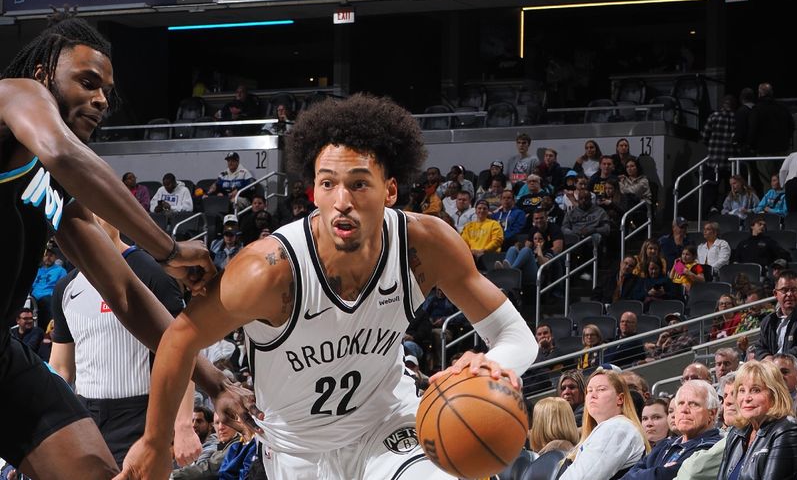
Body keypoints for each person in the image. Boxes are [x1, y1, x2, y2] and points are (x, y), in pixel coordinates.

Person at [117, 94, 537, 480]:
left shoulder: (426, 244)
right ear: (313, 190)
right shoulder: (268, 270)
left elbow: (517, 338)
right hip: (299, 452)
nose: (341, 200)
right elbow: (179, 339)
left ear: (390, 189)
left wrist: (492, 364)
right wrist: (155, 442)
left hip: (388, 424)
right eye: (327, 183)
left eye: (358, 183)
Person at [0, 18, 251, 478]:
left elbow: (125, 293)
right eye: (87, 82)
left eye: (106, 92)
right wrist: (169, 250)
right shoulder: (12, 92)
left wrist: (214, 382)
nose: (100, 100)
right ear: (41, 75)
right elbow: (62, 150)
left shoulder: (56, 188)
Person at [48, 218, 197, 468]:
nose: (93, 219)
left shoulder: (151, 273)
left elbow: (184, 348)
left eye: (100, 210)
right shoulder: (66, 288)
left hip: (141, 416)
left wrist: (183, 424)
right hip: (86, 419)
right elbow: (61, 368)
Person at [716, 360, 797, 480]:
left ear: (774, 394)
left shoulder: (787, 430)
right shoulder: (736, 433)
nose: (746, 398)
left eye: (756, 390)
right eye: (741, 390)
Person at [559, 369, 650, 480]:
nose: (593, 395)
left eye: (601, 389)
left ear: (620, 399)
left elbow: (583, 477)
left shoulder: (618, 428)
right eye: (589, 391)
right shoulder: (607, 428)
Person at [622, 380, 721, 480]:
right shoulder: (665, 444)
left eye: (693, 404)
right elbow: (627, 477)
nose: (684, 410)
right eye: (681, 403)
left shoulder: (713, 447)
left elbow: (664, 476)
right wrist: (658, 472)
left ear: (712, 413)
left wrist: (656, 472)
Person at [747, 83, 795, 194]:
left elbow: (753, 130)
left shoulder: (757, 109)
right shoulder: (782, 108)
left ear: (759, 94)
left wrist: (751, 146)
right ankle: (783, 206)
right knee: (783, 180)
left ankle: (770, 207)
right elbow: (791, 126)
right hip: (782, 150)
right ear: (771, 93)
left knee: (768, 181)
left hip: (764, 152)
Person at [753, 270, 797, 360]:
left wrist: (778, 360)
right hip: (772, 370)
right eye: (784, 290)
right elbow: (760, 347)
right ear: (775, 294)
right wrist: (766, 357)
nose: (789, 294)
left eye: (794, 290)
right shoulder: (768, 321)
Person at [31, 245, 67, 329]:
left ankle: (50, 330)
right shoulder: (38, 270)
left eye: (51, 255)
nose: (48, 257)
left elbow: (62, 286)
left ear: (55, 258)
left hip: (49, 296)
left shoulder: (60, 270)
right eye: (46, 255)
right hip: (34, 297)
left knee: (47, 302)